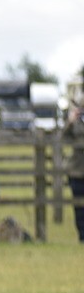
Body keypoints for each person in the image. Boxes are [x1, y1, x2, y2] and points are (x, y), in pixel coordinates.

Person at [64, 104, 84, 243]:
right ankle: (82, 235)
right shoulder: (75, 122)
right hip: (77, 170)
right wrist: (70, 122)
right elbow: (61, 137)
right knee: (78, 206)